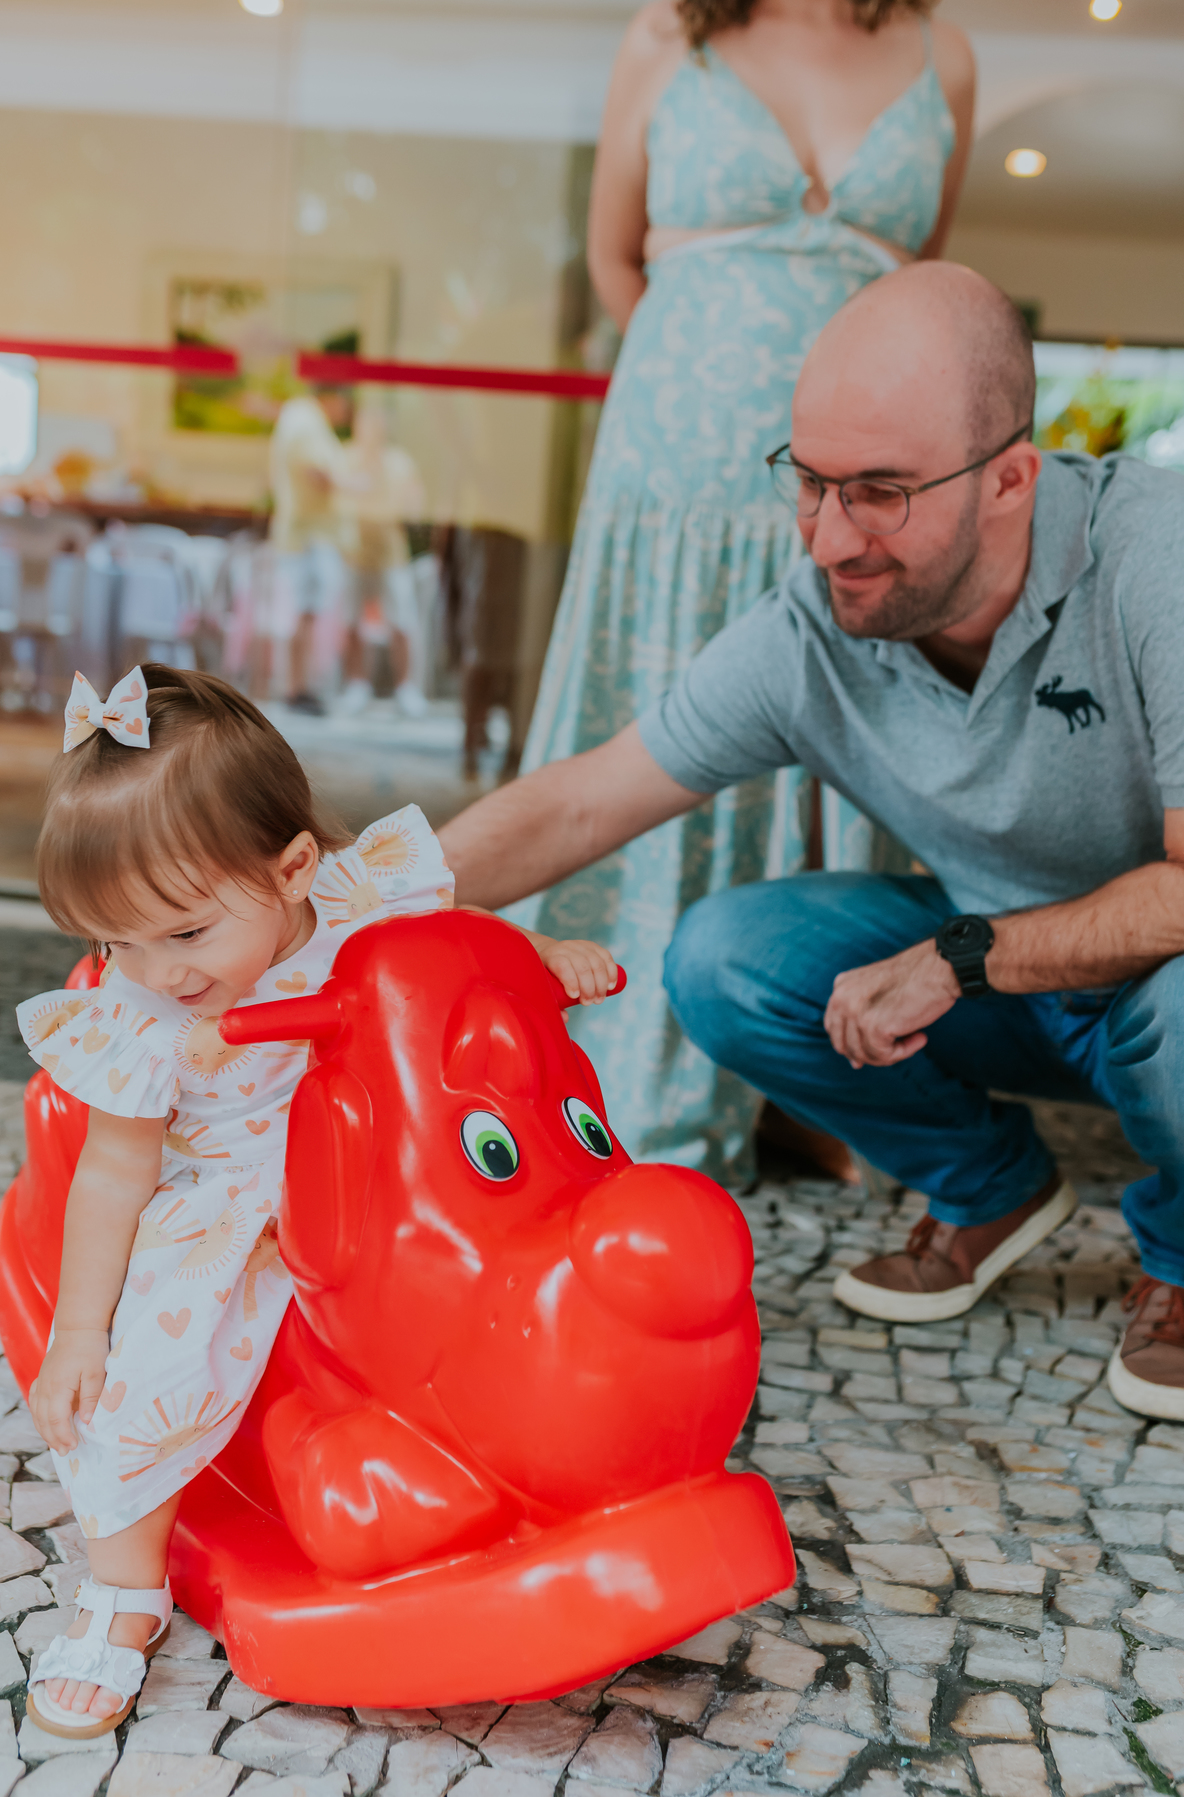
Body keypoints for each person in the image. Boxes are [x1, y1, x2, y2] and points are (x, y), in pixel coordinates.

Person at [440, 261, 1184, 1423]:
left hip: (1154, 989)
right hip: (1006, 986)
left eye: (881, 492)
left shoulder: (1158, 556)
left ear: (1012, 480)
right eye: (811, 482)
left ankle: (1183, 1255)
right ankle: (991, 1190)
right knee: (725, 956)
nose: (832, 538)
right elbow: (586, 800)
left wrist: (960, 958)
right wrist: (346, 898)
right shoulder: (814, 626)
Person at [18, 663, 616, 1734]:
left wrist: (536, 956)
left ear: (295, 869)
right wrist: (81, 1327)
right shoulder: (143, 1009)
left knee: (520, 1209)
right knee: (151, 1364)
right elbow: (117, 1169)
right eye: (118, 940)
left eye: (187, 932)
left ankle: (557, 1438)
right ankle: (122, 1593)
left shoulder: (355, 891)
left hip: (388, 1148)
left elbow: (454, 934)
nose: (155, 970)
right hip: (229, 1193)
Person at [508, 0, 974, 1179]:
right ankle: (601, 1060)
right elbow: (618, 258)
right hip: (674, 472)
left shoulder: (944, 55)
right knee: (651, 740)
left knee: (839, 750)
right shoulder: (668, 33)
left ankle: (803, 1080)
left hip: (858, 490)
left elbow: (917, 292)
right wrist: (704, 381)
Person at [336, 398, 429, 720]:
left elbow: (415, 499)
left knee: (402, 622)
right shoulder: (345, 458)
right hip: (354, 553)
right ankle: (356, 686)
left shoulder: (400, 462)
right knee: (351, 624)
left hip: (391, 554)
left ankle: (407, 689)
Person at [268, 387, 353, 716]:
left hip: (305, 533)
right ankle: (296, 686)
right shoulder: (306, 420)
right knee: (303, 611)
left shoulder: (297, 416)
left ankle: (297, 685)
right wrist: (355, 486)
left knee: (304, 611)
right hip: (308, 535)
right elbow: (314, 472)